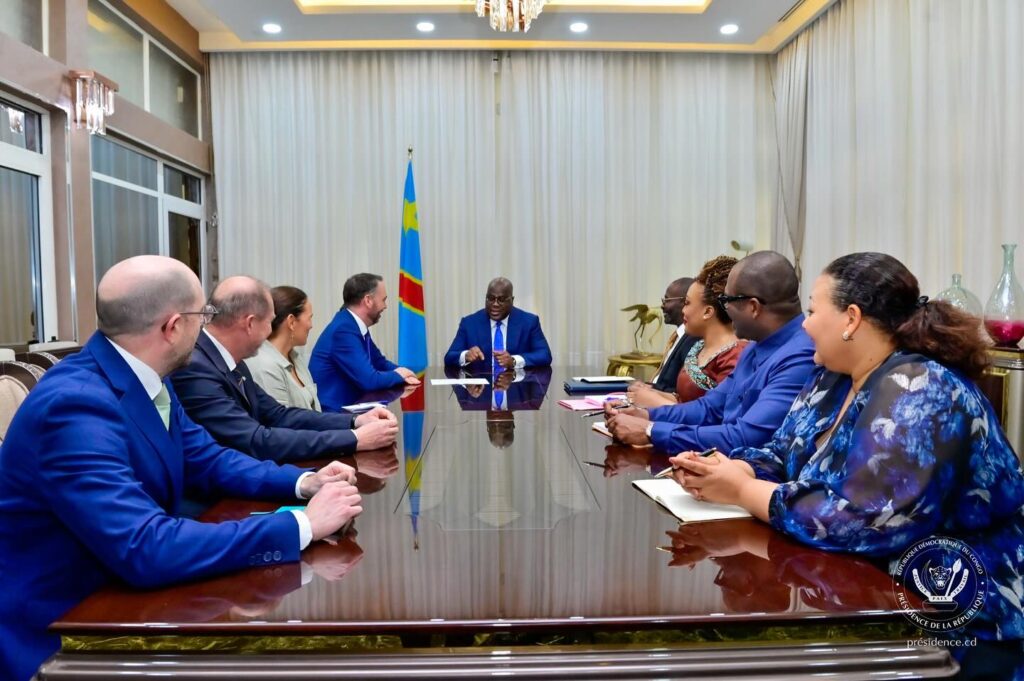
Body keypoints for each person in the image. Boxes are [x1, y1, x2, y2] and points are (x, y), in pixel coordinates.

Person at [0, 256, 363, 681]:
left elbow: (207, 458)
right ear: (173, 327)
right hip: (62, 633)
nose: (207, 327)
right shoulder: (74, 406)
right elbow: (145, 546)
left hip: (125, 598)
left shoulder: (146, 374)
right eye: (202, 316)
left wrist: (303, 482)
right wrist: (302, 525)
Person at [672, 252, 1024, 643]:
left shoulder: (919, 387)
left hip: (954, 615)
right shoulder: (832, 377)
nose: (804, 325)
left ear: (851, 319)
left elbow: (860, 520)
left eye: (812, 311)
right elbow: (782, 452)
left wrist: (742, 490)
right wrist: (732, 469)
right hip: (858, 594)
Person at [606, 251, 816, 454]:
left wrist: (650, 431)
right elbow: (709, 408)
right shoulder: (756, 345)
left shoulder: (799, 358)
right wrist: (645, 415)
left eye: (726, 301)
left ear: (753, 307)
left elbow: (745, 438)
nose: (724, 310)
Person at [172, 276, 398, 463]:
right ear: (250, 323)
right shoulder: (196, 368)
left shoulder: (230, 359)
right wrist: (354, 438)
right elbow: (256, 440)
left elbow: (279, 415)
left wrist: (355, 422)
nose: (270, 331)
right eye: (269, 322)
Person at [629, 257, 745, 407]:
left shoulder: (735, 355)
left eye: (687, 303)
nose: (683, 310)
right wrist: (648, 393)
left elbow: (717, 414)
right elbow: (685, 400)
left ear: (708, 312)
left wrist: (655, 401)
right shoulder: (699, 347)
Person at [309, 273, 421, 412]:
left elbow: (379, 362)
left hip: (351, 408)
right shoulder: (343, 330)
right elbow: (370, 380)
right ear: (368, 300)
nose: (385, 306)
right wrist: (400, 375)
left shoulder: (352, 324)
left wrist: (404, 373)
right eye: (383, 300)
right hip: (334, 415)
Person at [443, 278, 552, 371]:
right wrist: (465, 356)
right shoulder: (469, 323)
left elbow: (544, 355)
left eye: (501, 299)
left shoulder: (529, 322)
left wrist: (514, 361)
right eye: (490, 299)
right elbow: (449, 357)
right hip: (481, 387)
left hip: (517, 386)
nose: (495, 304)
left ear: (512, 300)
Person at [246, 286, 322, 411]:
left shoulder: (295, 358)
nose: (311, 325)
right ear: (291, 322)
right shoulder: (265, 366)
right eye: (309, 318)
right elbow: (280, 420)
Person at [641, 276, 698, 394]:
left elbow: (680, 391)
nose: (662, 306)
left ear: (684, 302)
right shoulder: (678, 336)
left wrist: (650, 392)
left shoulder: (693, 340)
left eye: (666, 300)